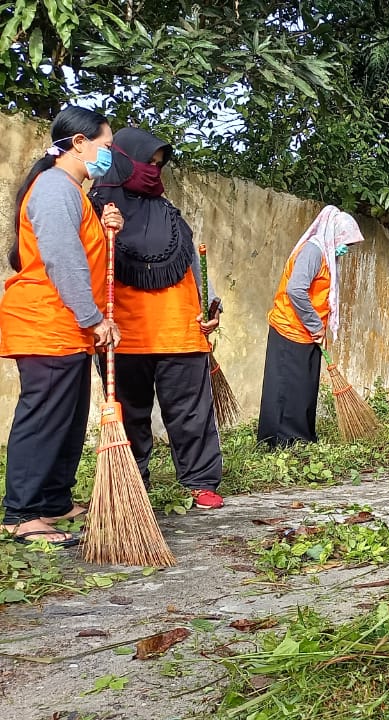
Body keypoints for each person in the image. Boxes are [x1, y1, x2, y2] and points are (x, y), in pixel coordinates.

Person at [0, 107, 122, 546]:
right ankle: (22, 513)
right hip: (46, 321)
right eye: (105, 147)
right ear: (78, 144)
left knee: (68, 418)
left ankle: (53, 500)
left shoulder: (73, 191)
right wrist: (94, 319)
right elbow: (61, 259)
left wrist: (109, 228)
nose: (108, 156)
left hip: (65, 325)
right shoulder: (54, 187)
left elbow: (84, 252)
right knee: (44, 416)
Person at [88, 128, 226, 510]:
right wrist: (105, 231)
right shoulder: (96, 209)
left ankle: (201, 480)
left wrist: (210, 306)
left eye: (158, 165)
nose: (153, 171)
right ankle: (132, 483)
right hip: (124, 332)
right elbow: (86, 263)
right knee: (130, 415)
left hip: (181, 330)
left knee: (192, 413)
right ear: (123, 160)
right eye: (147, 163)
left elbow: (192, 264)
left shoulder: (169, 213)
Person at [258, 206, 365, 449]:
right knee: (286, 387)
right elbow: (295, 290)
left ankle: (300, 438)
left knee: (303, 389)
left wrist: (318, 329)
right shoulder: (313, 252)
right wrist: (315, 324)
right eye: (345, 243)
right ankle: (280, 442)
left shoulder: (326, 255)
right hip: (290, 329)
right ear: (334, 234)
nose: (346, 249)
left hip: (306, 333)